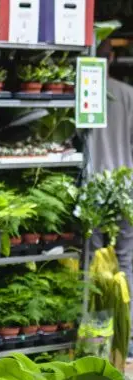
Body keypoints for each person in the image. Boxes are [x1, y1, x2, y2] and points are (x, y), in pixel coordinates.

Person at [89, 38, 133, 346]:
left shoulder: (83, 94)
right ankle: (126, 338)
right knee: (127, 261)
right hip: (125, 187)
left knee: (91, 260)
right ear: (113, 56)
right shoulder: (128, 94)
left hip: (92, 190)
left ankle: (95, 334)